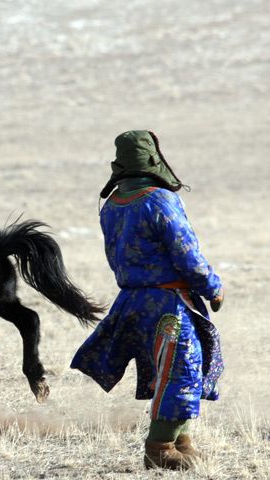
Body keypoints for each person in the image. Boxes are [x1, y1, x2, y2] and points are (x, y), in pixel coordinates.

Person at [70, 130, 225, 470]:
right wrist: (212, 287)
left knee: (170, 371)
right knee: (181, 370)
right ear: (155, 158)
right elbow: (186, 253)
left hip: (132, 300)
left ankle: (182, 441)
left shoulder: (111, 204)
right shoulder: (160, 200)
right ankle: (160, 448)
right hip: (168, 302)